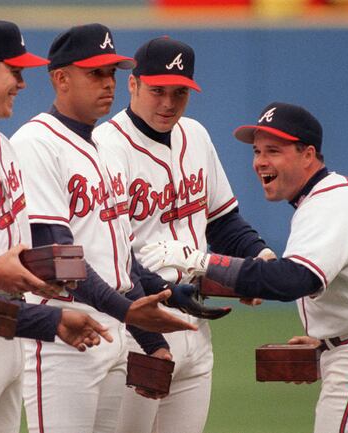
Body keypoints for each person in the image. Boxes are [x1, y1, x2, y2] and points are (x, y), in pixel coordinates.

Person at [143, 102, 348, 433]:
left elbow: (292, 280)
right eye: (257, 151)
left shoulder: (327, 205)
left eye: (274, 150)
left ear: (308, 155)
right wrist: (328, 340)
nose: (260, 162)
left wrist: (201, 260)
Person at [11, 24, 199, 433]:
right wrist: (127, 309)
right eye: (95, 72)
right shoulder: (36, 143)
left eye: (111, 72)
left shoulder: (100, 148)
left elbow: (119, 257)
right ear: (60, 78)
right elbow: (57, 256)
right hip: (64, 331)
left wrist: (155, 327)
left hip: (113, 333)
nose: (107, 83)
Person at [0, 20, 112, 433]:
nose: (23, 83)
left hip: (14, 331)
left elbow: (6, 243)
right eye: (16, 71)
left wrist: (36, 275)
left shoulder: (5, 146)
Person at [93, 36, 273, 433]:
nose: (168, 104)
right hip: (136, 323)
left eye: (179, 93)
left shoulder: (196, 135)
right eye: (158, 90)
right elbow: (112, 250)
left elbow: (223, 221)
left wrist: (260, 258)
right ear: (133, 84)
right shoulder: (107, 146)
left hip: (195, 322)